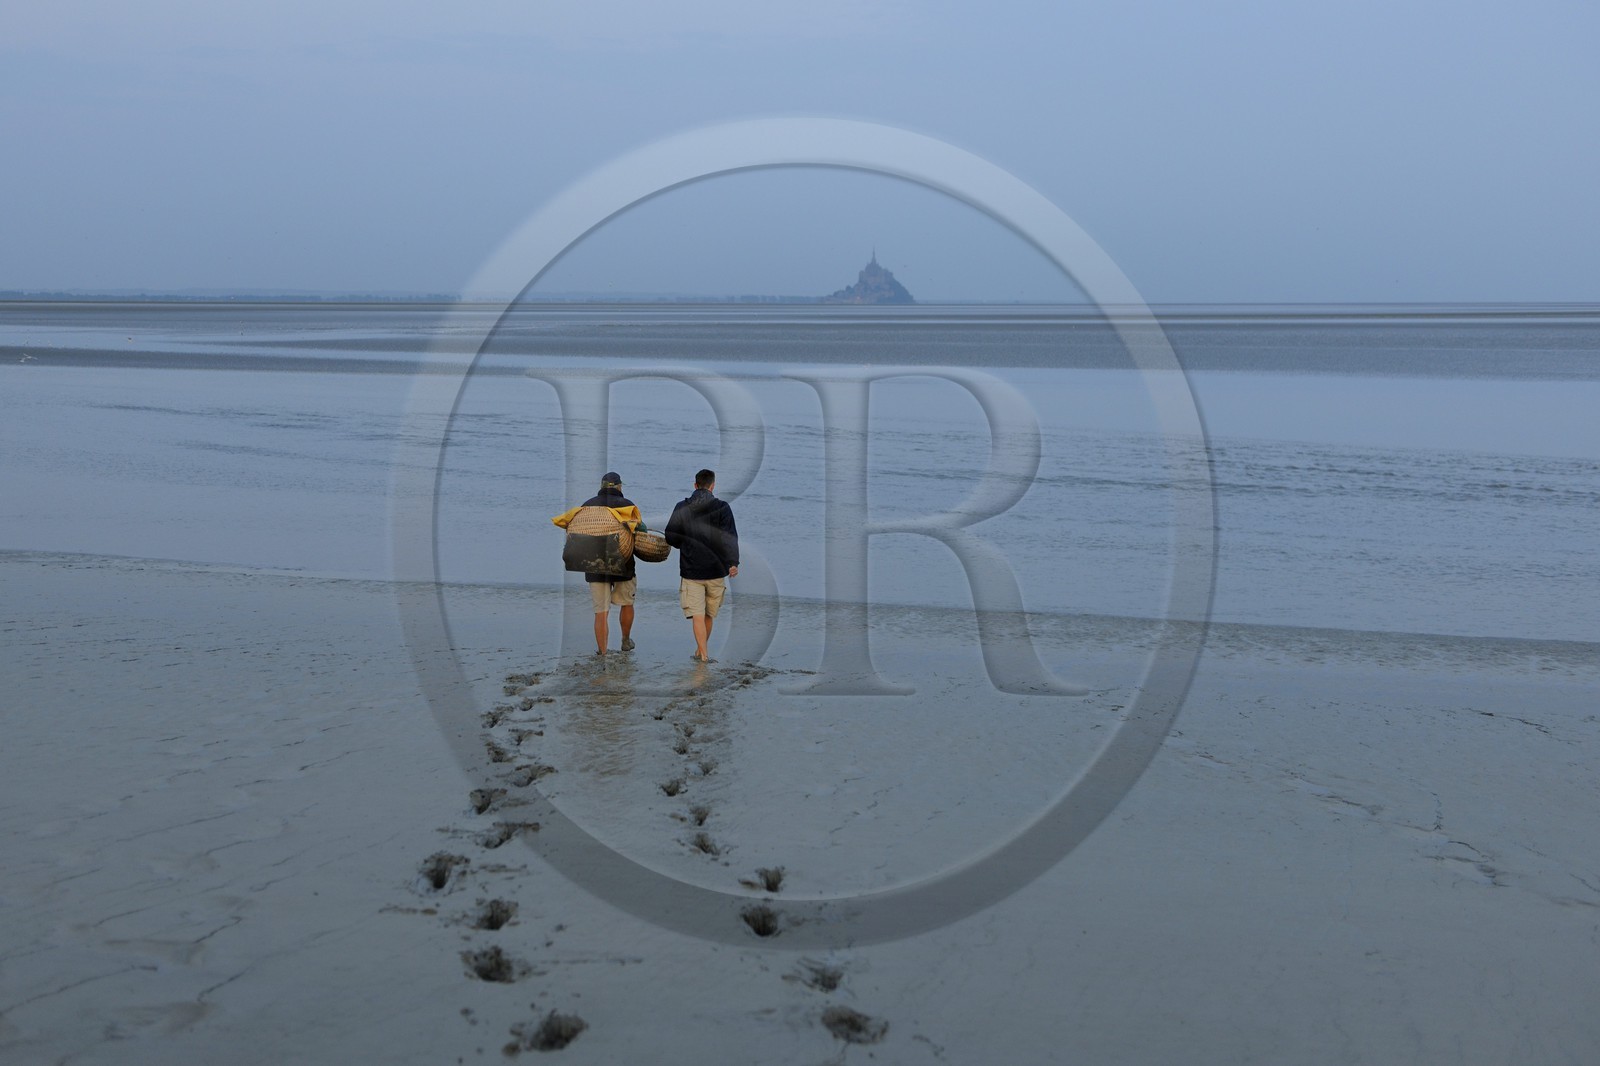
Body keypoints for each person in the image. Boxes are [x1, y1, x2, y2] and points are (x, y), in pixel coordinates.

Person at [664, 468, 739, 663]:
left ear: (695, 485)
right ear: (713, 486)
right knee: (708, 615)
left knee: (697, 615)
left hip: (692, 570)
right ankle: (702, 652)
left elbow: (670, 536)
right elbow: (730, 537)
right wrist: (733, 562)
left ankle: (702, 653)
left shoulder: (682, 506)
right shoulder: (722, 508)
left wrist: (685, 543)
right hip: (716, 570)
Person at [576, 472, 643, 656]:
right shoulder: (627, 505)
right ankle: (625, 640)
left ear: (602, 485)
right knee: (627, 602)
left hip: (594, 563)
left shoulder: (587, 505)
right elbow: (640, 529)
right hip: (624, 562)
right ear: (619, 486)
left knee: (601, 612)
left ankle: (603, 651)